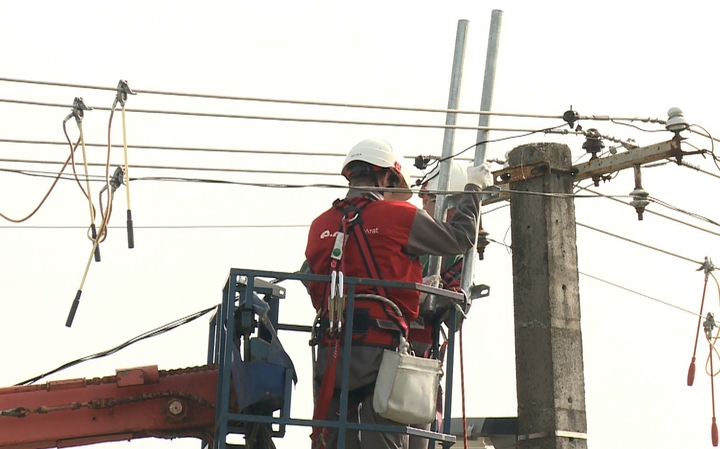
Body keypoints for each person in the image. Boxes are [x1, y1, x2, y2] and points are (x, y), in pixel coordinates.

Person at [304, 138, 491, 449]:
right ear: (387, 177)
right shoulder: (398, 215)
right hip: (383, 351)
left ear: (350, 175)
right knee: (387, 441)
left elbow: (316, 289)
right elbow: (460, 238)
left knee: (336, 441)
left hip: (331, 352)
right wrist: (474, 188)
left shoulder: (318, 226)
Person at [409, 160, 469, 449]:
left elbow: (455, 317)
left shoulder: (455, 255)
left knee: (420, 433)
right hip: (391, 346)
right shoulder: (408, 234)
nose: (424, 205)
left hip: (422, 354)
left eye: (428, 198)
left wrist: (445, 296)